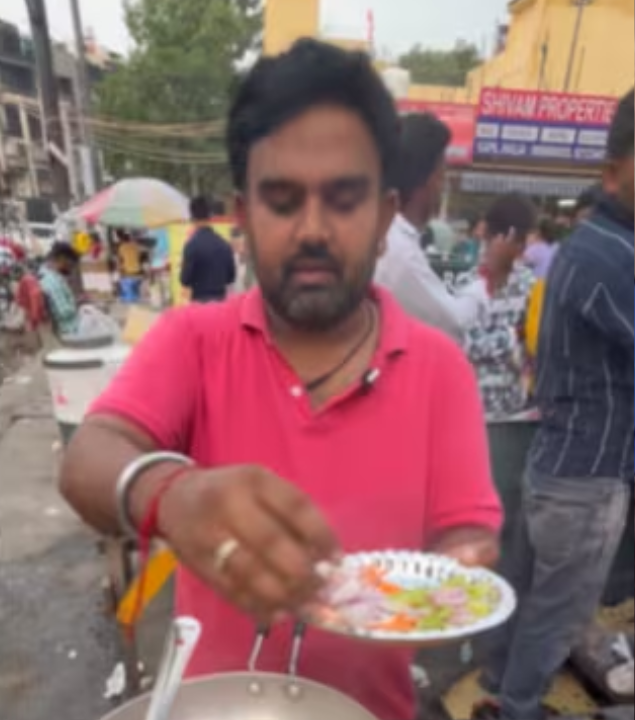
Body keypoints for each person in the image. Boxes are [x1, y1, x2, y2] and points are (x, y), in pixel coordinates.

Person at [58, 39, 502, 720]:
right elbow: (88, 457)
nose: (314, 230)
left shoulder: (441, 370)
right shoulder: (193, 341)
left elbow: (468, 536)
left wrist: (443, 577)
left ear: (385, 217)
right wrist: (170, 494)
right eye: (283, 200)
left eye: (345, 200)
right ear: (243, 214)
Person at [475, 89, 634, 720]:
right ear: (612, 171)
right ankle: (517, 708)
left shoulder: (584, 246)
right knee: (558, 611)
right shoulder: (612, 257)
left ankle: (495, 683)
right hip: (587, 477)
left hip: (557, 462)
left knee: (526, 593)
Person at [375, 113, 488, 341]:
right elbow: (453, 323)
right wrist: (485, 282)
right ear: (428, 180)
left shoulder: (394, 237)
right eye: (442, 174)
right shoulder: (399, 251)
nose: (442, 186)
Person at [454, 194, 538, 418]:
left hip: (515, 411)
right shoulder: (468, 284)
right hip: (470, 410)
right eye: (521, 240)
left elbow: (536, 348)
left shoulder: (530, 286)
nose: (524, 249)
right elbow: (462, 345)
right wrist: (514, 335)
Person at [179, 195, 235, 303]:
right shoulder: (224, 244)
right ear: (210, 216)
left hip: (199, 304)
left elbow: (184, 280)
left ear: (192, 218)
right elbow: (231, 277)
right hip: (221, 304)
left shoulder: (191, 245)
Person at [39, 242, 83, 336]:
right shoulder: (53, 281)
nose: (72, 268)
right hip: (70, 330)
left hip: (70, 327)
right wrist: (79, 304)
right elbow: (64, 312)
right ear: (62, 259)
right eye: (71, 264)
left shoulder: (51, 277)